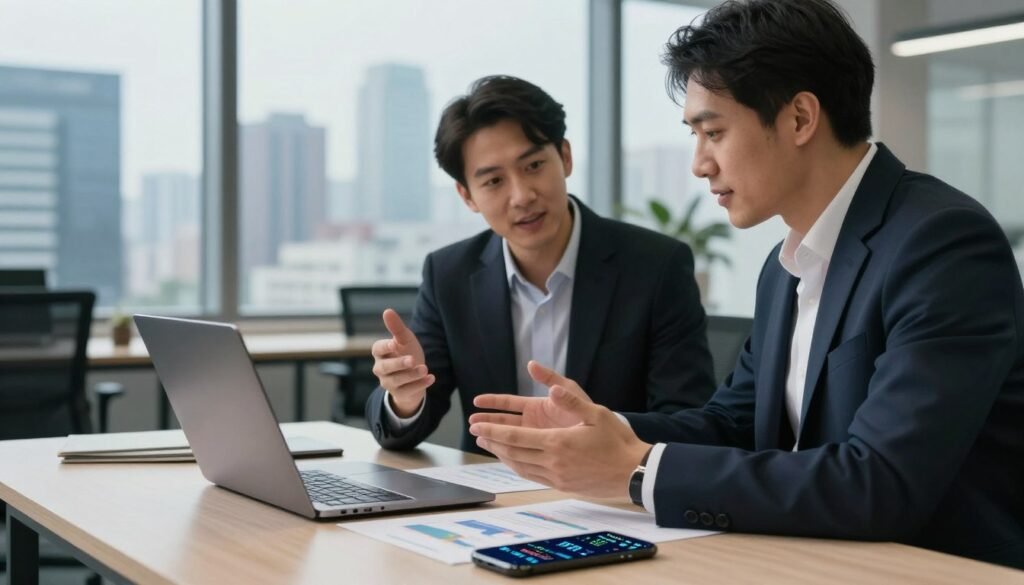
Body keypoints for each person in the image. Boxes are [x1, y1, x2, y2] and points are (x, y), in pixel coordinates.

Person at [467, 0, 1024, 568]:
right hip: (811, 558)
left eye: (713, 132)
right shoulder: (787, 264)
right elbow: (734, 423)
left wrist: (636, 469)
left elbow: (879, 481)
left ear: (801, 119)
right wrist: (606, 430)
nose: (699, 164)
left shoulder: (941, 244)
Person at [365, 75, 716, 454]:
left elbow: (688, 420)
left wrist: (601, 429)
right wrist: (404, 397)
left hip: (609, 493)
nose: (522, 196)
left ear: (564, 157)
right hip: (495, 494)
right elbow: (408, 424)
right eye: (494, 181)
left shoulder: (656, 266)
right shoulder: (449, 274)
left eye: (533, 165)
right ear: (467, 196)